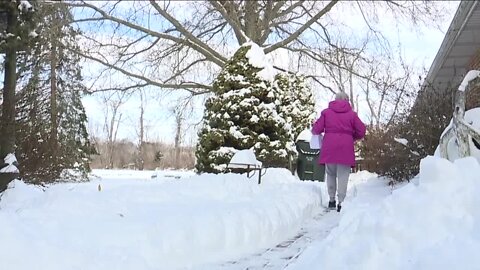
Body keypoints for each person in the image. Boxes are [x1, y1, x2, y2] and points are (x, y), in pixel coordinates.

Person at [312, 92, 366, 212]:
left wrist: (315, 128)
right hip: (345, 147)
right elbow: (361, 130)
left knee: (330, 173)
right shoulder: (352, 115)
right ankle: (341, 202)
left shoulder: (326, 113)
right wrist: (352, 137)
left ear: (335, 100)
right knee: (343, 175)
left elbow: (316, 129)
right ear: (346, 100)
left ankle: (331, 200)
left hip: (329, 146)